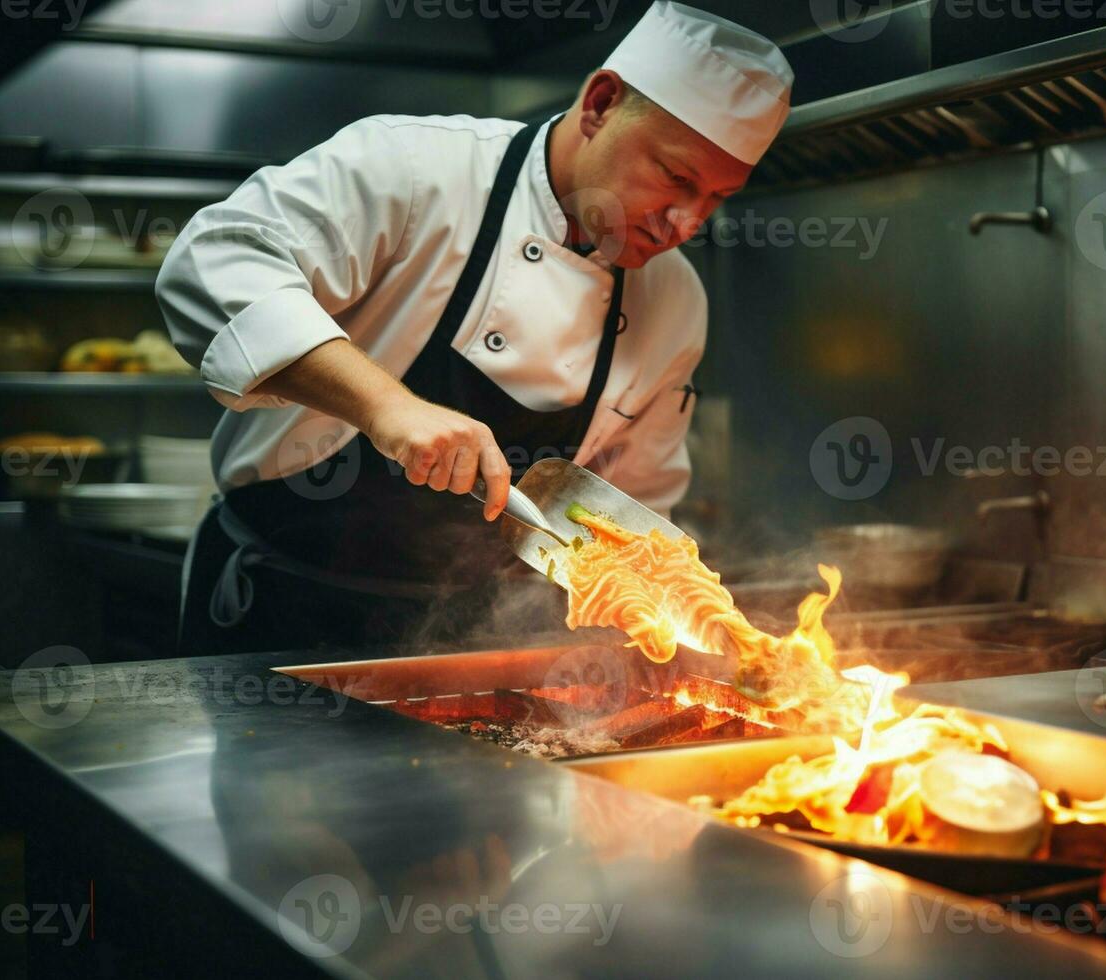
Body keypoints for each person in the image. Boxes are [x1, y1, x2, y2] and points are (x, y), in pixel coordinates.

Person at [158, 2, 793, 656]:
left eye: (716, 197)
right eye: (676, 177)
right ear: (600, 104)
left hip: (477, 646)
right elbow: (214, 261)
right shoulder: (415, 169)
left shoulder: (675, 298)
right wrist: (389, 409)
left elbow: (629, 513)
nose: (685, 223)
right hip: (279, 616)